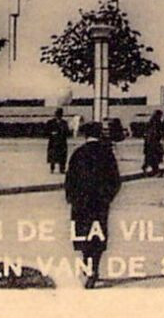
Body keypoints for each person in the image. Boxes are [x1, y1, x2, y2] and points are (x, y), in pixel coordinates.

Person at [64, 120, 121, 288]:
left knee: (83, 234)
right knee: (98, 236)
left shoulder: (78, 153)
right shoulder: (107, 153)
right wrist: (108, 198)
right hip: (99, 203)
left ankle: (88, 267)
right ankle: (94, 268)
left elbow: (70, 179)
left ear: (86, 135)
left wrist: (71, 198)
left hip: (81, 203)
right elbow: (115, 180)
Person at [44, 107, 71, 175]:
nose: (58, 115)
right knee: (53, 155)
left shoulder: (64, 123)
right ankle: (52, 168)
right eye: (57, 114)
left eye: (60, 114)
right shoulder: (50, 122)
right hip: (53, 141)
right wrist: (52, 133)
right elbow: (46, 131)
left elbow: (67, 132)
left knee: (62, 156)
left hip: (62, 142)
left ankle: (62, 169)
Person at [141, 110, 164, 175]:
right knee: (153, 156)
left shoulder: (157, 122)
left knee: (152, 157)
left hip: (153, 142)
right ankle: (155, 170)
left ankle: (152, 169)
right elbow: (152, 133)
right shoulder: (154, 123)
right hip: (152, 142)